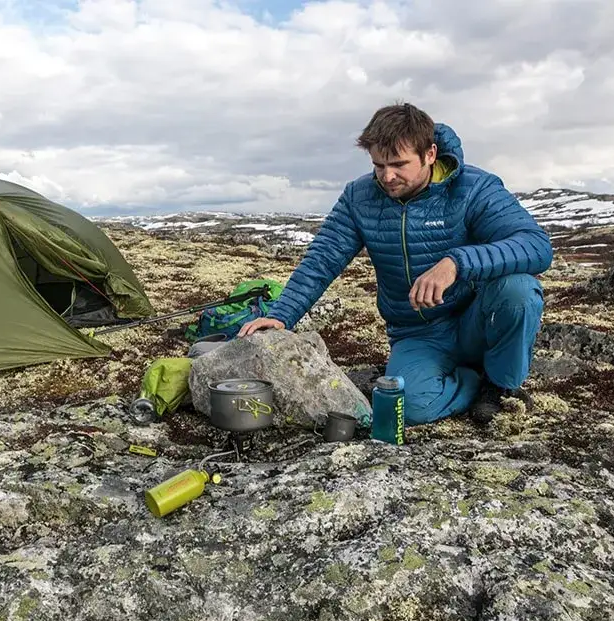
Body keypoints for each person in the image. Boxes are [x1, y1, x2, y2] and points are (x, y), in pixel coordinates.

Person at [237, 103, 553, 426]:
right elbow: (323, 258)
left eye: (399, 164)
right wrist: (281, 315)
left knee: (519, 290)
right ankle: (473, 379)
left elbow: (536, 246)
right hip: (417, 334)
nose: (387, 176)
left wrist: (456, 263)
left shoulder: (473, 188)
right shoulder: (360, 197)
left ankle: (500, 387)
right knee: (411, 408)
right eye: (378, 165)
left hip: (476, 319)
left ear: (430, 154)